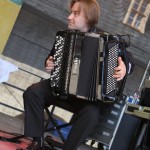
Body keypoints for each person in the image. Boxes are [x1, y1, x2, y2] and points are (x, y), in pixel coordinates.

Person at [23, 0, 134, 150]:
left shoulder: (108, 41)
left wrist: (124, 67)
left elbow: (129, 59)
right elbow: (51, 58)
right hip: (60, 90)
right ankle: (37, 142)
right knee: (32, 92)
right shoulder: (64, 37)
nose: (69, 17)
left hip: (86, 100)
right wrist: (48, 62)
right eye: (71, 13)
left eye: (75, 14)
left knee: (91, 115)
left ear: (88, 17)